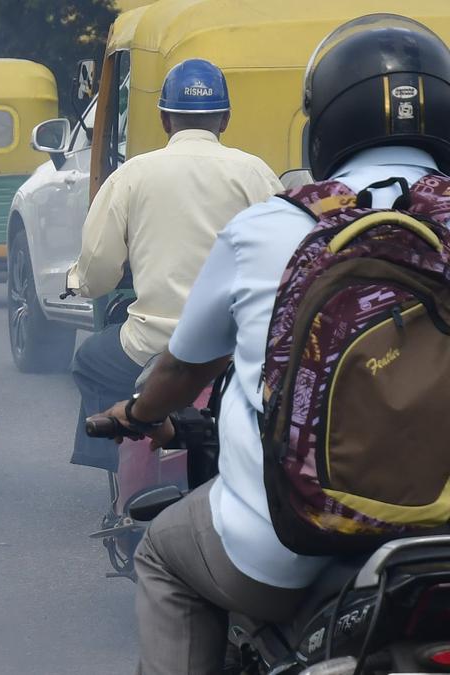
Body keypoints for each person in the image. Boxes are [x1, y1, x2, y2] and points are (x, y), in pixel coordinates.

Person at [93, 15, 450, 673]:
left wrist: (138, 415)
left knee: (163, 555)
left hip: (290, 545)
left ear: (325, 127)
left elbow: (181, 365)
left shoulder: (271, 226)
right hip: (440, 540)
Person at [66, 59, 282, 473]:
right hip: (236, 350)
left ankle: (117, 468)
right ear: (226, 119)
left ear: (164, 119)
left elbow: (98, 270)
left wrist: (79, 283)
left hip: (149, 346)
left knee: (91, 359)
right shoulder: (256, 173)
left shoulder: (131, 175)